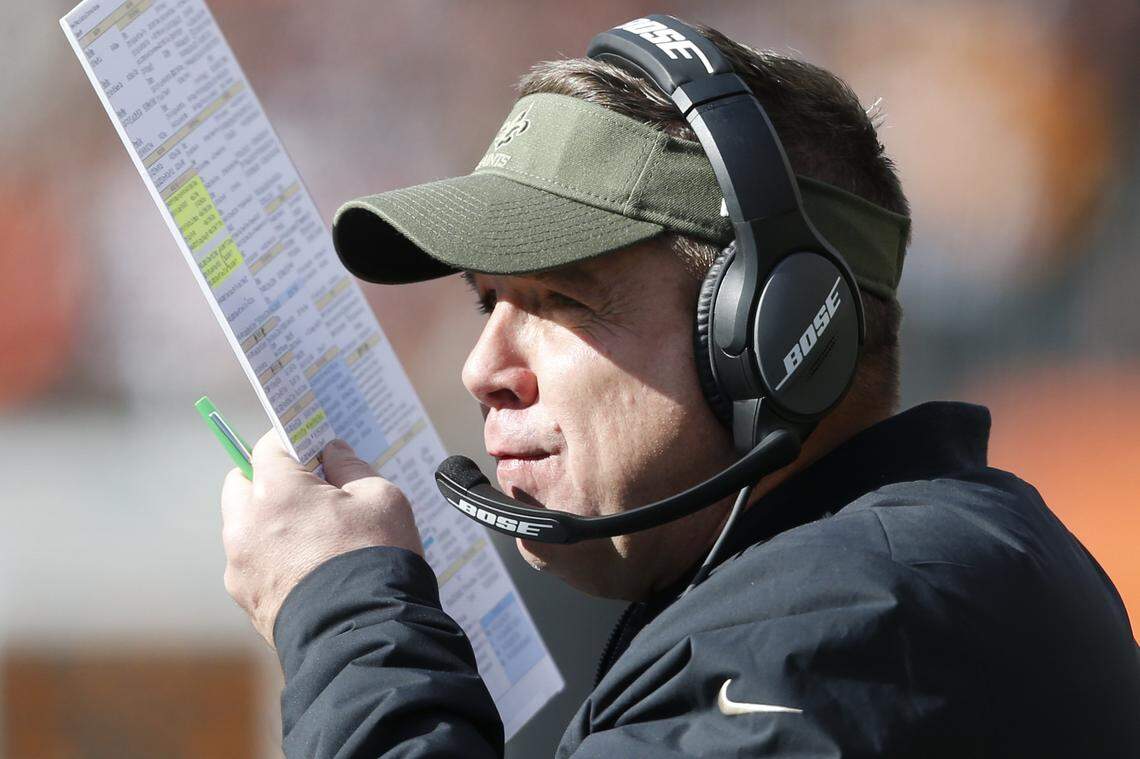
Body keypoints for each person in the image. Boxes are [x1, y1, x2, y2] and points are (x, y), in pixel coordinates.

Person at [219, 19, 1140, 758]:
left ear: (773, 332)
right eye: (488, 302)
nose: (482, 368)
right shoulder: (870, 583)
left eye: (561, 300)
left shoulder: (852, 624)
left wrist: (345, 617)